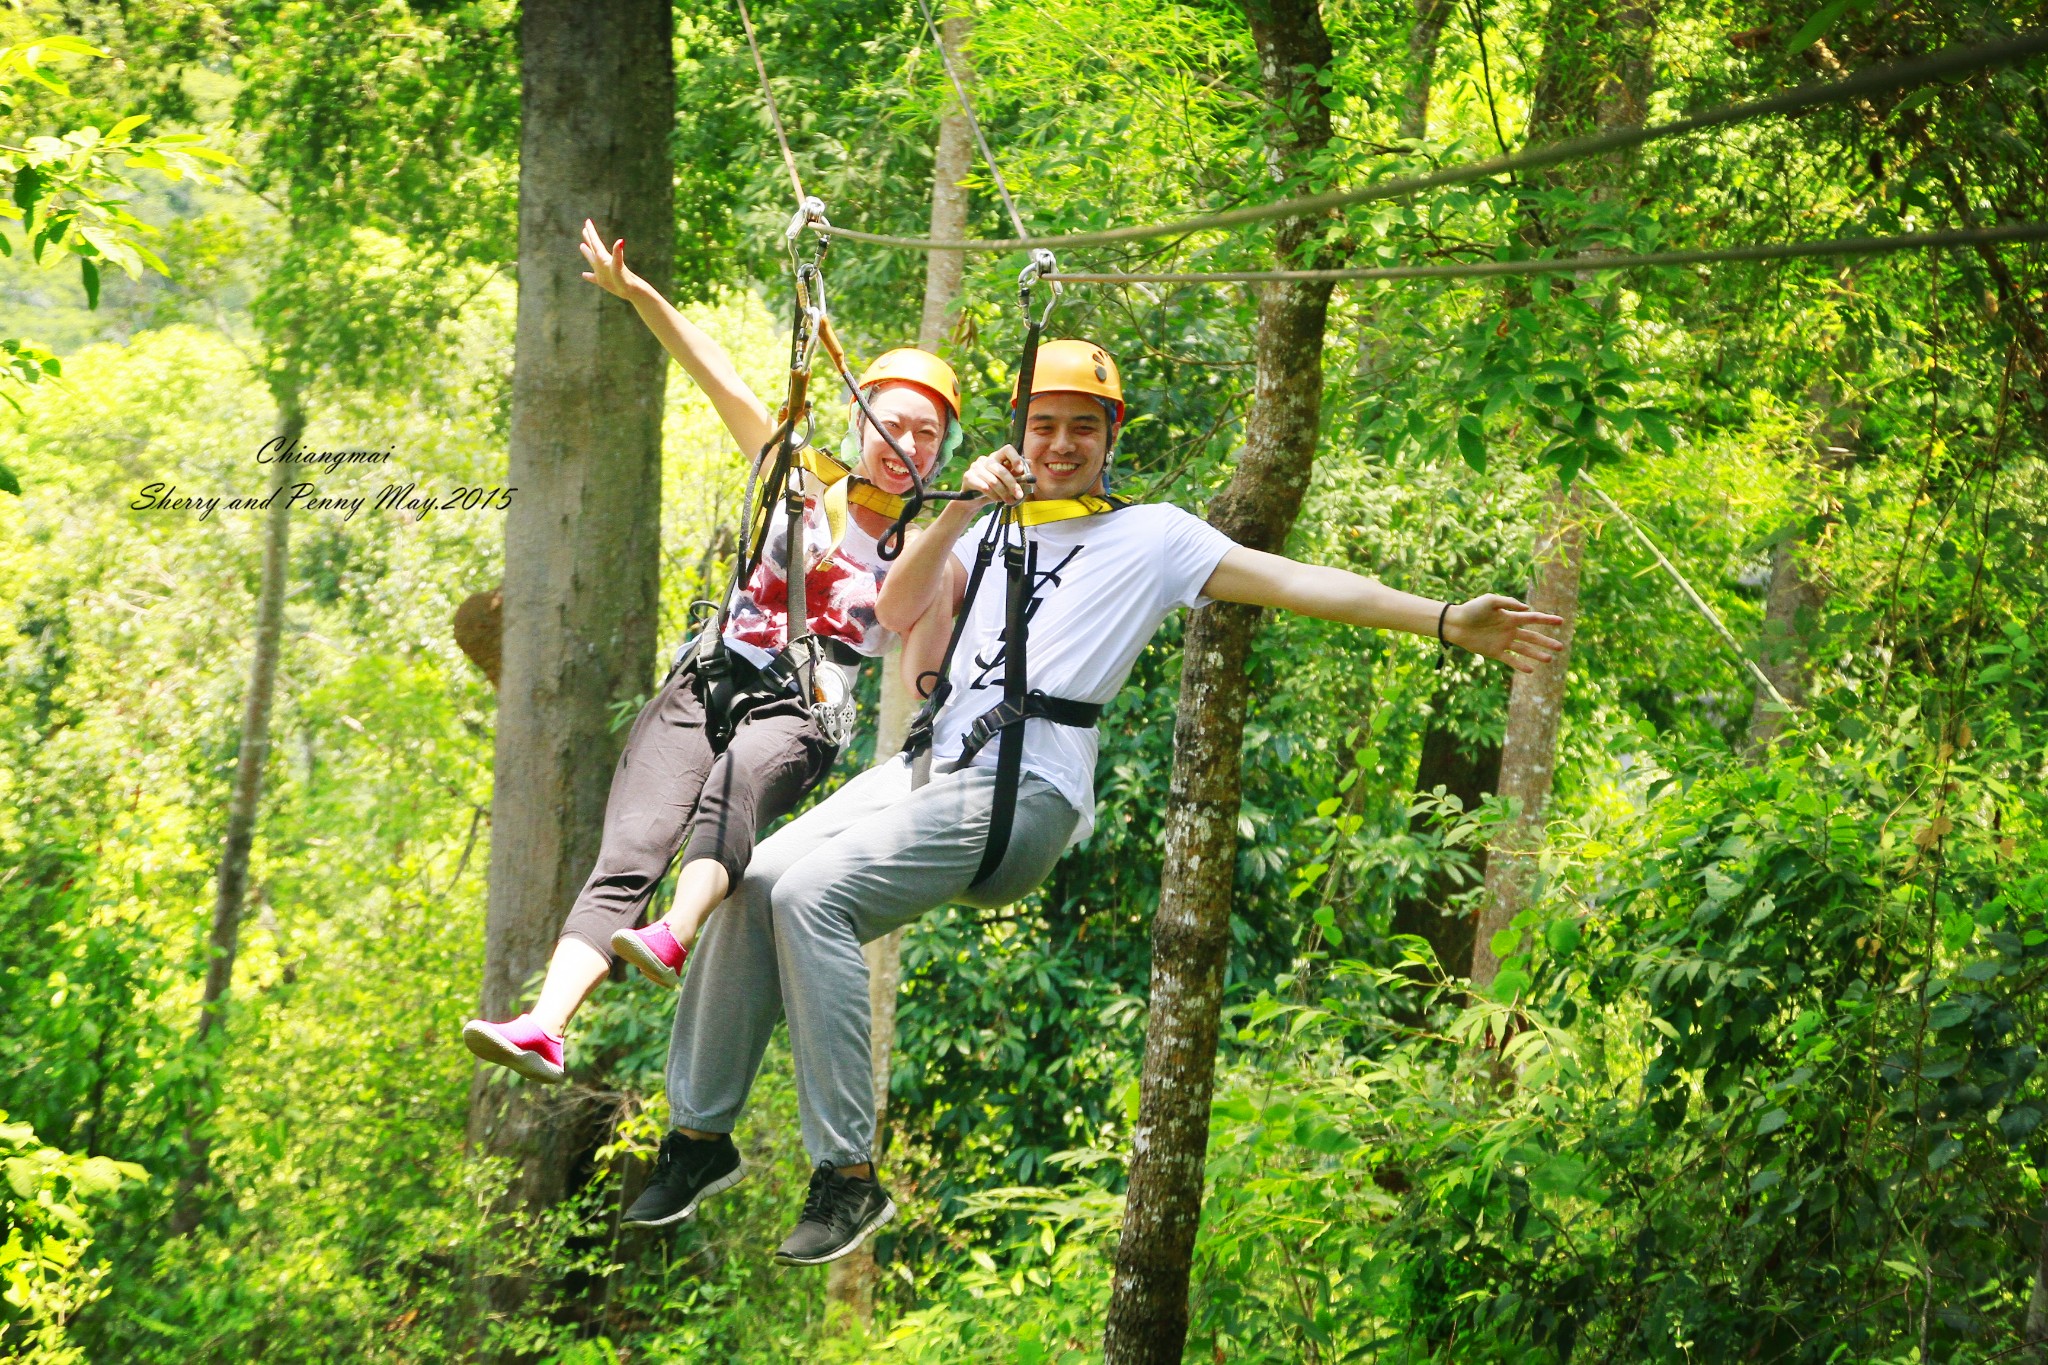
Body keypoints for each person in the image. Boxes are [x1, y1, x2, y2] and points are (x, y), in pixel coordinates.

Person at [620, 338, 1568, 1262]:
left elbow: (1297, 582)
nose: (1060, 444)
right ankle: (700, 1139)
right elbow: (892, 612)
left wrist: (1445, 620)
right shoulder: (985, 520)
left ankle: (848, 1174)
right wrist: (957, 513)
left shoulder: (1153, 536)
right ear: (1019, 434)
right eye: (1042, 426)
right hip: (932, 767)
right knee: (755, 875)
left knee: (808, 893)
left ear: (1112, 437)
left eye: (1082, 427)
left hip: (1024, 792)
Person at [460, 221, 962, 1086]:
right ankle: (546, 1023)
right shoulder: (798, 471)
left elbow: (923, 676)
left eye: (927, 435)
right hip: (707, 680)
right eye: (893, 423)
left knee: (731, 792)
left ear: (942, 451)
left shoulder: (934, 556)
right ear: (859, 416)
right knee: (629, 849)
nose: (906, 444)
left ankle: (677, 933)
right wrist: (637, 292)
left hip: (803, 710)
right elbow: (715, 372)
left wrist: (938, 753)